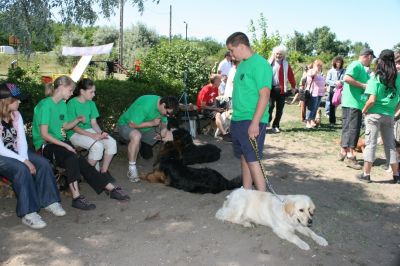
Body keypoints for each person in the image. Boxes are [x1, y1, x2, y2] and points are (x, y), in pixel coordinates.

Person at [32, 76, 130, 211]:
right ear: (61, 87)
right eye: (71, 90)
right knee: (72, 157)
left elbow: (65, 126)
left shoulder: (61, 104)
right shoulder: (45, 105)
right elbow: (44, 134)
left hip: (60, 142)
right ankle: (77, 197)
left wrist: (77, 120)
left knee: (78, 160)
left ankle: (109, 188)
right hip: (45, 145)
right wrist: (66, 145)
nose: (72, 93)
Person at [0, 82, 66, 229]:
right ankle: (28, 213)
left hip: (16, 152)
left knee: (42, 163)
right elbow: (1, 149)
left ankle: (49, 201)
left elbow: (22, 141)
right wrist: (24, 161)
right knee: (21, 170)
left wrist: (25, 158)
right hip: (2, 155)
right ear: (6, 101)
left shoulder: (16, 115)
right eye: (17, 99)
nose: (20, 102)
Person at [226, 32, 272, 191]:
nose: (230, 55)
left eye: (232, 51)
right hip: (238, 119)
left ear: (241, 46)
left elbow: (265, 95)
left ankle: (263, 200)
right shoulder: (242, 65)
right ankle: (246, 193)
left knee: (253, 161)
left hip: (251, 119)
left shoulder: (260, 64)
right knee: (245, 158)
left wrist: (255, 123)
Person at [357, 49, 400, 184]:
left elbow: (371, 100)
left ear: (380, 60)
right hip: (389, 115)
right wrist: (393, 111)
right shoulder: (398, 77)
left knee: (371, 144)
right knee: (390, 146)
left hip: (374, 115)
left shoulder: (375, 77)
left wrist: (364, 110)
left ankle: (366, 174)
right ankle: (396, 175)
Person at [117, 95, 178, 182]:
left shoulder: (163, 106)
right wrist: (152, 123)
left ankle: (167, 167)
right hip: (126, 125)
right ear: (163, 105)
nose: (167, 115)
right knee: (136, 136)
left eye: (170, 114)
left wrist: (164, 129)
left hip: (146, 129)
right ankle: (132, 169)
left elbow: (164, 122)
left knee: (170, 135)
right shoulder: (146, 104)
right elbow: (132, 124)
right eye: (167, 113)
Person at [67, 78, 117, 180]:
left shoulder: (91, 103)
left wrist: (101, 133)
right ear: (82, 91)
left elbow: (94, 123)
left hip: (90, 131)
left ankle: (103, 172)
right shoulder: (71, 104)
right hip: (74, 133)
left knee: (111, 142)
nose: (94, 94)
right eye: (91, 92)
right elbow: (73, 127)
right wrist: (93, 135)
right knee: (98, 147)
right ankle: (86, 174)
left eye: (94, 92)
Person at [339, 48, 375, 170]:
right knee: (352, 130)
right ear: (368, 56)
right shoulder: (356, 65)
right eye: (372, 58)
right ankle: (350, 156)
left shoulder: (363, 70)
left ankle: (343, 151)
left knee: (348, 128)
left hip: (355, 103)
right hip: (352, 103)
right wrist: (363, 85)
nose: (371, 61)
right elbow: (347, 78)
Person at [268, 45, 296, 133]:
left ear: (283, 55)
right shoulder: (268, 63)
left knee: (279, 109)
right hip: (270, 89)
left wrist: (293, 86)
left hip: (281, 90)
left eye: (280, 54)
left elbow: (291, 76)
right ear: (274, 54)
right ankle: (267, 121)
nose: (278, 55)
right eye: (277, 54)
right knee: (270, 106)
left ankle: (276, 125)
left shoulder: (286, 64)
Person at [197, 74, 232, 141]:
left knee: (227, 111)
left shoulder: (215, 88)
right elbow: (203, 106)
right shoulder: (206, 90)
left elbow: (215, 100)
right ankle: (224, 134)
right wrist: (215, 109)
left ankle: (228, 131)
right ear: (215, 81)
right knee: (218, 114)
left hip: (211, 107)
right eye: (219, 81)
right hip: (203, 109)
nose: (221, 82)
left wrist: (217, 107)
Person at [305, 59, 326, 129]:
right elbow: (312, 75)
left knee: (316, 108)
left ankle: (312, 120)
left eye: (320, 66)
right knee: (312, 107)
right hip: (313, 92)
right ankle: (307, 121)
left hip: (320, 93)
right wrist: (316, 69)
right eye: (318, 65)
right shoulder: (311, 71)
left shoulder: (320, 73)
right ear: (314, 65)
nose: (319, 67)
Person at [326, 56, 346, 126]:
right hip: (333, 89)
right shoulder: (331, 71)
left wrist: (340, 82)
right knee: (332, 105)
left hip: (341, 89)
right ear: (335, 62)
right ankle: (332, 121)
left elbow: (345, 79)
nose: (338, 63)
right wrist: (335, 82)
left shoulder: (344, 71)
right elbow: (327, 80)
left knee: (343, 105)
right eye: (337, 62)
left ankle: (344, 121)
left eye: (340, 62)